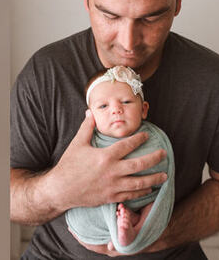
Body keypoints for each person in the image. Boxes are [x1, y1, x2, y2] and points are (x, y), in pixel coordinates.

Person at [10, 0, 219, 259]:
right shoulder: (45, 73)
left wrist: (156, 233)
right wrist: (60, 190)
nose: (129, 42)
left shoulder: (217, 82)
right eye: (109, 14)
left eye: (151, 17)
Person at [65, 66, 174, 254]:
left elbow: (165, 175)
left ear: (144, 109)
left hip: (144, 199)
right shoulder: (88, 143)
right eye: (103, 106)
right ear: (90, 115)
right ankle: (122, 226)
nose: (116, 110)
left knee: (154, 204)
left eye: (126, 101)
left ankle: (136, 230)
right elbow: (74, 175)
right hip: (99, 208)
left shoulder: (154, 138)